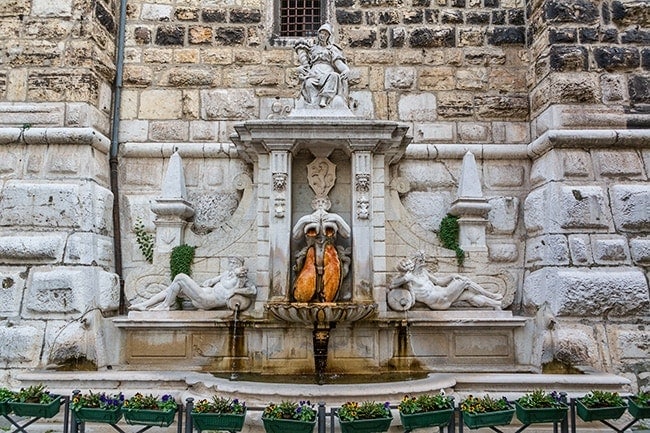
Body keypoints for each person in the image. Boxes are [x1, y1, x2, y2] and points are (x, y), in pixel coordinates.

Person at [129, 257, 256, 311]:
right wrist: (209, 282)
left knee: (180, 277)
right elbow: (211, 281)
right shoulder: (225, 274)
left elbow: (252, 291)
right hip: (204, 292)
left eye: (234, 263)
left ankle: (166, 305)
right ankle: (144, 305)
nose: (231, 265)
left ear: (240, 265)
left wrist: (235, 291)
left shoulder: (241, 278)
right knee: (173, 287)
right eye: (230, 262)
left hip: (208, 300)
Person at [389, 253, 502, 310]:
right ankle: (490, 295)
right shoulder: (409, 279)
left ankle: (496, 304)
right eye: (420, 261)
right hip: (440, 299)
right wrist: (404, 279)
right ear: (414, 263)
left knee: (470, 295)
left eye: (423, 260)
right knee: (465, 282)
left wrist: (452, 276)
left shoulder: (424, 273)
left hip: (443, 294)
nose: (423, 263)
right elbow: (392, 284)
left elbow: (439, 281)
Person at [292, 197, 351, 303]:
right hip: (312, 253)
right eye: (318, 202)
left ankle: (326, 297)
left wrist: (337, 219)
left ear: (328, 205)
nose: (320, 204)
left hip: (330, 252)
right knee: (306, 282)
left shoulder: (333, 218)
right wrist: (305, 220)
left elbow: (347, 234)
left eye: (323, 202)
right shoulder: (308, 219)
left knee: (332, 275)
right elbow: (295, 235)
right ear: (313, 204)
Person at [294, 23, 350, 109]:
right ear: (318, 34)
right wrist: (299, 69)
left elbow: (338, 64)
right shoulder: (312, 49)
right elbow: (305, 64)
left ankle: (324, 98)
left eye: (325, 34)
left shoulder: (332, 49)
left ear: (328, 36)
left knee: (334, 76)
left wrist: (346, 70)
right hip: (314, 73)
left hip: (327, 72)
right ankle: (313, 103)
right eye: (321, 33)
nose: (322, 36)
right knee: (309, 82)